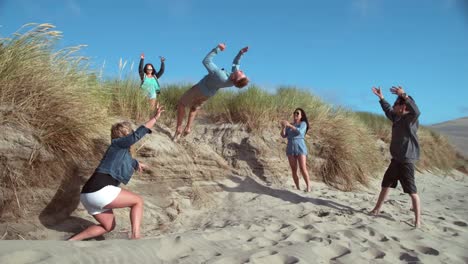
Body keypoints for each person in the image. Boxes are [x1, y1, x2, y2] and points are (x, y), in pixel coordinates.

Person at [68, 104, 165, 240]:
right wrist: (154, 118)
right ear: (125, 135)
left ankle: (71, 241)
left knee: (108, 226)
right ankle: (136, 236)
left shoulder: (118, 151)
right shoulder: (117, 143)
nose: (131, 136)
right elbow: (136, 136)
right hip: (98, 191)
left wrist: (137, 164)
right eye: (129, 133)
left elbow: (126, 161)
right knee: (138, 201)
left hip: (87, 195)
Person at [173, 43, 249, 141]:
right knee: (194, 108)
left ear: (235, 78)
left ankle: (178, 128)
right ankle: (188, 128)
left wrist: (217, 49)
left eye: (241, 73)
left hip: (199, 89)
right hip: (208, 95)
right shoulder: (233, 81)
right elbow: (236, 64)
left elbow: (206, 61)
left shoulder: (220, 75)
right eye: (242, 73)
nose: (241, 71)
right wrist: (240, 53)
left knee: (181, 104)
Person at [370, 86, 422, 228]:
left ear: (403, 106)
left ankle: (418, 220)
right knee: (386, 184)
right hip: (396, 160)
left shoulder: (410, 119)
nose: (393, 105)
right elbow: (387, 110)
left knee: (412, 191)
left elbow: (416, 111)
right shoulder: (396, 117)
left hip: (407, 161)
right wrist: (381, 98)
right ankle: (377, 209)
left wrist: (403, 95)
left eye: (396, 103)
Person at [280, 108, 311, 192]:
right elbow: (283, 135)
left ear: (301, 116)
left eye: (298, 113)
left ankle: (308, 187)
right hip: (290, 147)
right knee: (294, 169)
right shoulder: (290, 124)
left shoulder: (303, 124)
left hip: (300, 147)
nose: (295, 115)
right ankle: (297, 187)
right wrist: (283, 127)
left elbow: (300, 132)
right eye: (295, 113)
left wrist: (289, 125)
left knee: (302, 168)